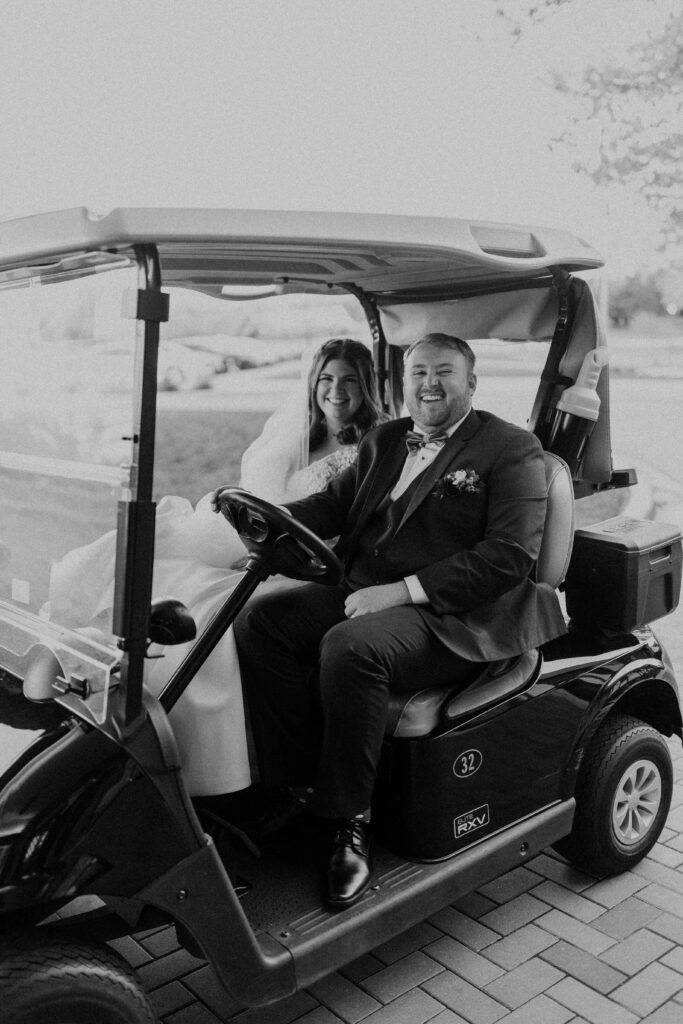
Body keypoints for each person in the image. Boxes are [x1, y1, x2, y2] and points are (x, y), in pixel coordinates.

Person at [230, 332, 567, 910]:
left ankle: (350, 821)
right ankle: (298, 783)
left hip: (458, 616)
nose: (429, 384)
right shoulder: (385, 440)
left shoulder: (512, 449)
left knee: (351, 648)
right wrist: (266, 518)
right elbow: (331, 508)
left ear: (471, 382)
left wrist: (401, 593)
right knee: (261, 625)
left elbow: (509, 557)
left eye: (444, 372)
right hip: (367, 591)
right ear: (402, 382)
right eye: (417, 374)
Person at [47, 337, 385, 795]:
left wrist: (279, 549)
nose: (336, 391)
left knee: (215, 619)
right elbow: (266, 492)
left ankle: (217, 768)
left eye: (348, 380)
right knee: (164, 581)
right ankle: (127, 723)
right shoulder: (299, 436)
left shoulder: (376, 445)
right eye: (326, 379)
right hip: (260, 550)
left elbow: (350, 525)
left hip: (310, 566)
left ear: (366, 385)